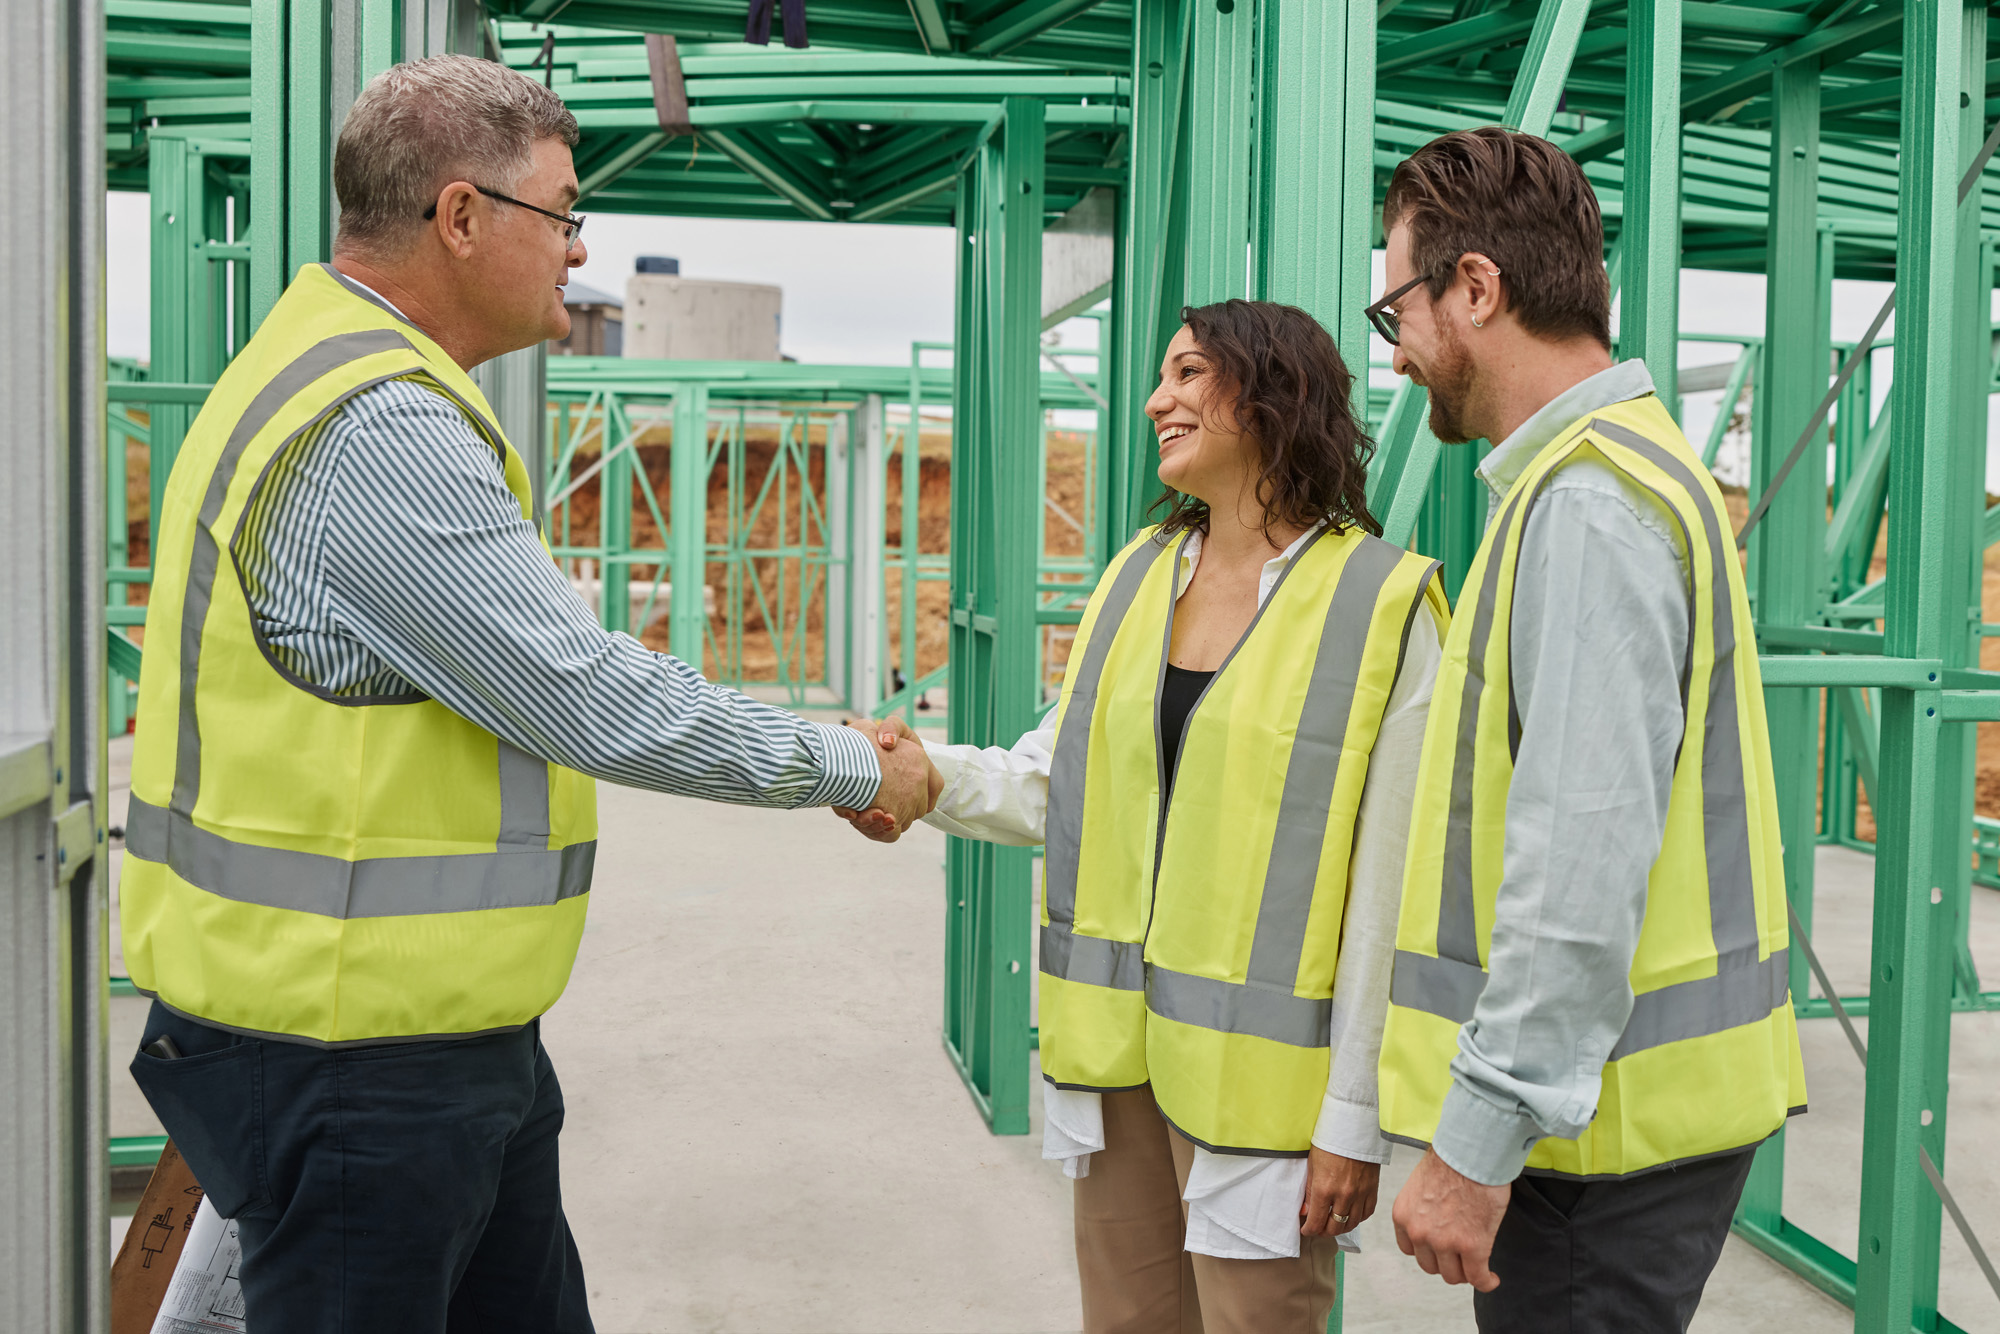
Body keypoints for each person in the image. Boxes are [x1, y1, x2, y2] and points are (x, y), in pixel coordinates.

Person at [118, 55, 937, 1333]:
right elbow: (584, 695)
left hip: (421, 1034)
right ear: (459, 215)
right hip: (355, 1064)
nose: (576, 249)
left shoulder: (328, 364)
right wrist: (844, 762)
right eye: (562, 212)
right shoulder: (375, 423)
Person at [843, 300, 1447, 1333]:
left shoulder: (1381, 603)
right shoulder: (1134, 574)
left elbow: (1390, 893)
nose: (1156, 400)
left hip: (1266, 1096)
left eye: (1185, 374)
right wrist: (924, 776)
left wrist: (1354, 1117)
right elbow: (1061, 775)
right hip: (1117, 1057)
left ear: (1271, 395)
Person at [1368, 127, 1806, 1331]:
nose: (1394, 354)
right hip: (1620, 1122)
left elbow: (1578, 860)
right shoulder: (1618, 471)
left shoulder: (1587, 505)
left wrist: (1476, 1139)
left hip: (1595, 1143)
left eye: (1391, 306)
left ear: (1473, 287)